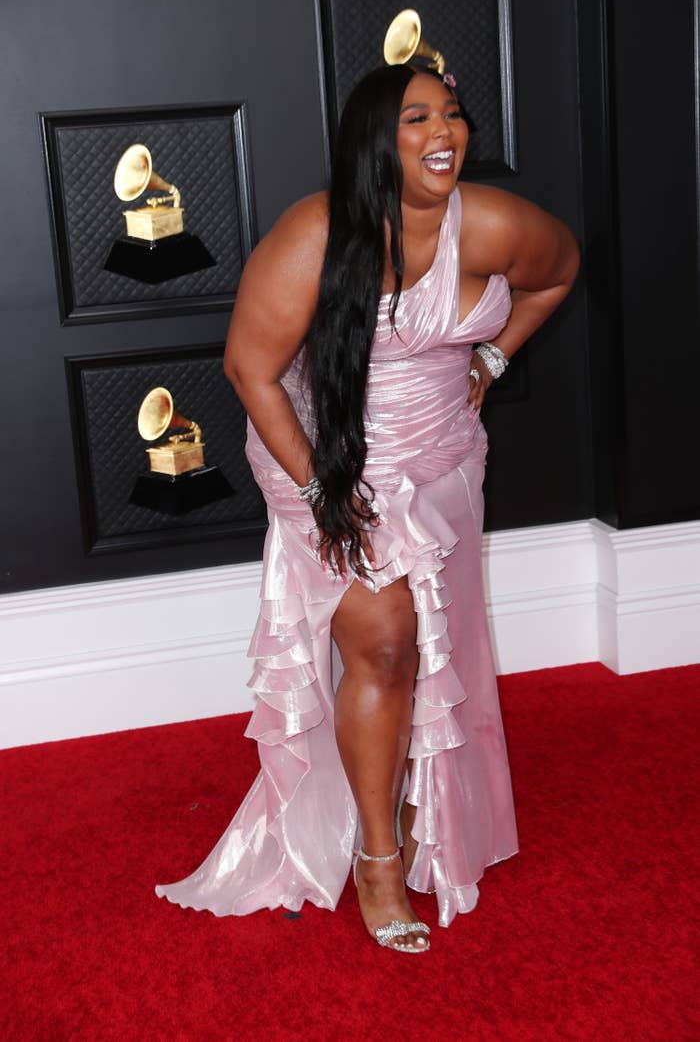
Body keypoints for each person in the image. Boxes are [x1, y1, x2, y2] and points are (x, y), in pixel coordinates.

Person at [156, 61, 579, 953]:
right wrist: (319, 492)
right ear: (371, 142)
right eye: (417, 117)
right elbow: (250, 371)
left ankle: (425, 806)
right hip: (325, 457)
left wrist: (492, 360)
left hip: (442, 461)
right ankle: (378, 861)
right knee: (386, 640)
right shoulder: (318, 231)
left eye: (454, 115)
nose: (444, 133)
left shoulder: (495, 223)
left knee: (433, 645)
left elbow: (559, 272)